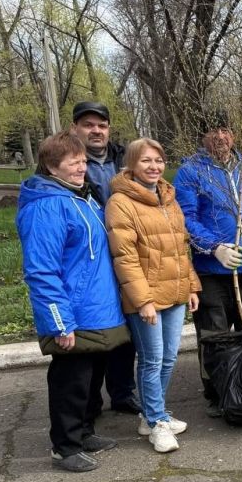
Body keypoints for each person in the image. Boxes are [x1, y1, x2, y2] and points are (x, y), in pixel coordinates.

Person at [17, 131, 127, 472]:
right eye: (72, 163)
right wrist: (59, 322)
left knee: (91, 379)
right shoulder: (47, 206)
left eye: (82, 161)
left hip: (97, 311)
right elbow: (41, 271)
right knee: (71, 382)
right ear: (52, 167)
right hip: (73, 314)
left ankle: (84, 431)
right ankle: (64, 447)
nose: (81, 168)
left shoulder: (83, 198)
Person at [173, 112, 242, 417]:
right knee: (214, 335)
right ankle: (218, 393)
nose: (220, 136)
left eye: (225, 130)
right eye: (212, 131)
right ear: (202, 137)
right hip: (212, 271)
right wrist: (214, 247)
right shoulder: (191, 172)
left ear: (233, 134)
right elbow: (186, 218)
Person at [105, 138, 201, 453]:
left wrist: (191, 285)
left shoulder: (167, 197)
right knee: (152, 359)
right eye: (146, 160)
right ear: (132, 164)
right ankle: (157, 420)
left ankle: (151, 415)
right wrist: (142, 300)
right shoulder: (120, 202)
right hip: (145, 297)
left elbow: (181, 247)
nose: (154, 166)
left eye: (158, 160)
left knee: (169, 357)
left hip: (174, 291)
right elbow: (125, 257)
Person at [71, 101, 139, 414]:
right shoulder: (68, 162)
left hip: (128, 251)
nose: (96, 131)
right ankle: (90, 400)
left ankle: (123, 392)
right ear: (75, 128)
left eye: (102, 125)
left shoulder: (125, 158)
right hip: (90, 256)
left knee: (126, 327)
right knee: (96, 329)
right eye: (88, 125)